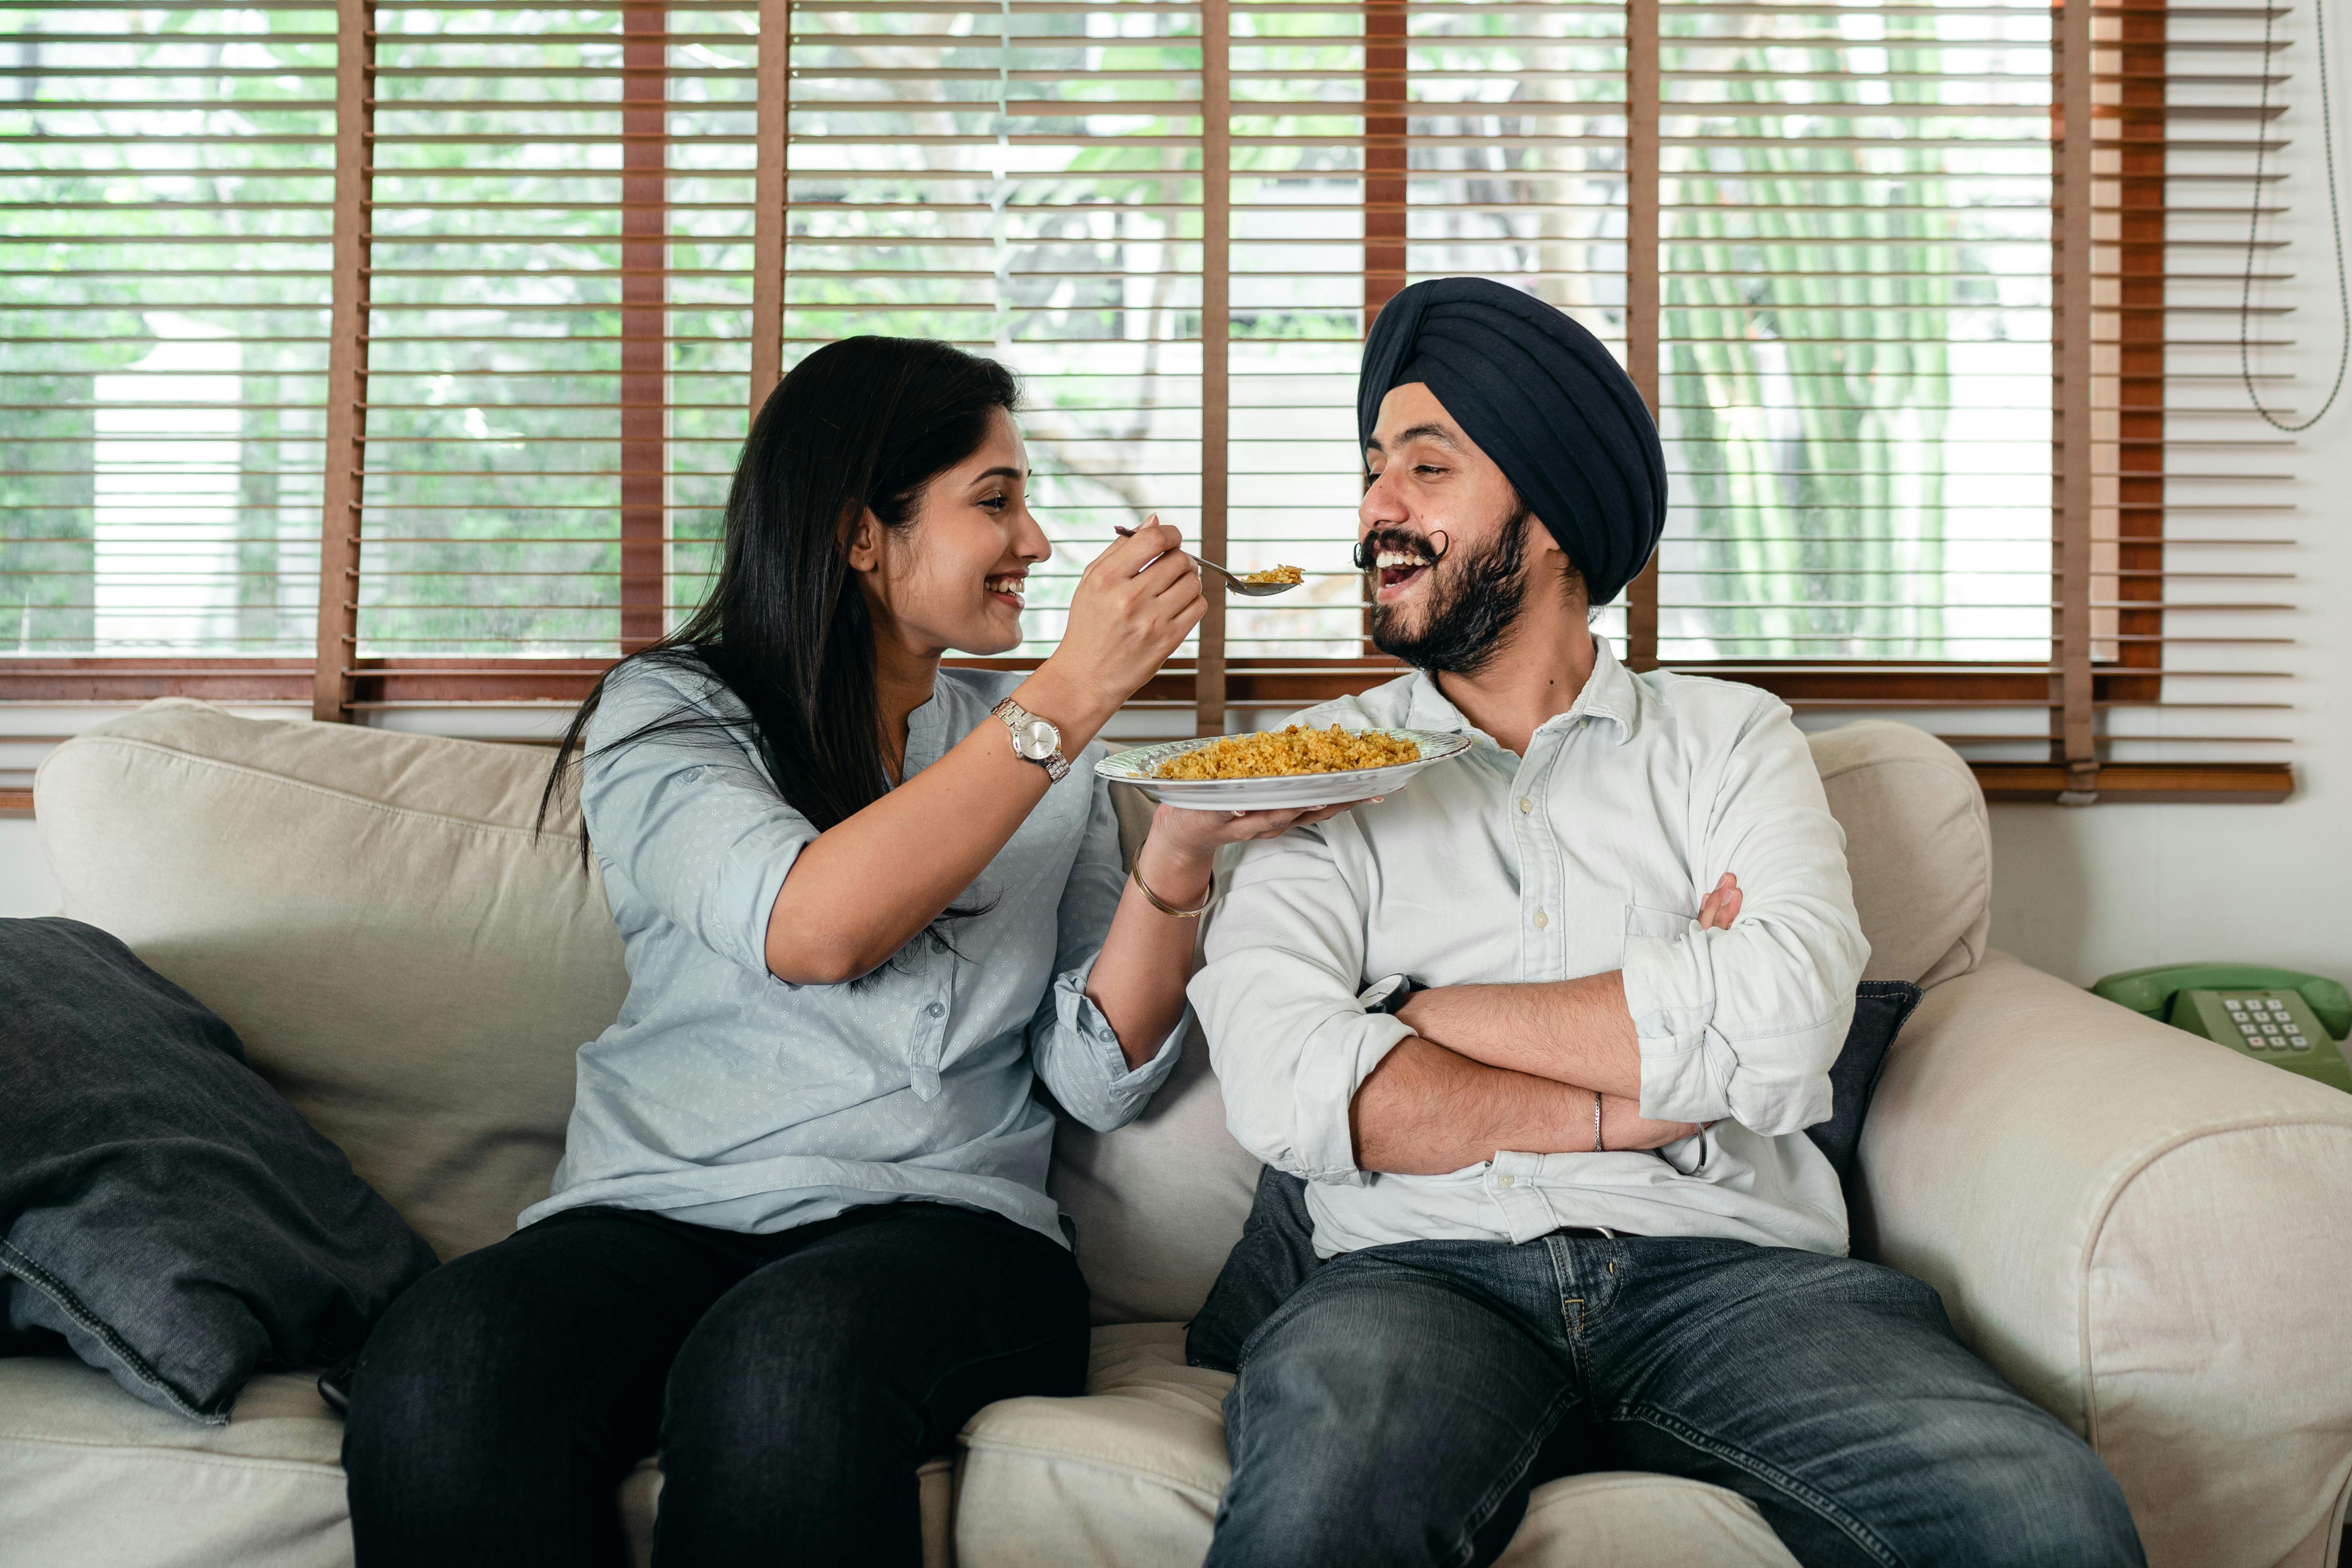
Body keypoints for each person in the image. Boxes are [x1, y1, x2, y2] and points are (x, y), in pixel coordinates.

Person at [339, 336, 1351, 1567]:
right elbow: (813, 928)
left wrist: (1180, 856)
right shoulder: (670, 718)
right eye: (996, 500)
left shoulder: (1047, 761)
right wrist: (1072, 693)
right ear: (860, 535)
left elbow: (1094, 1075)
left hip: (944, 1228)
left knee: (785, 1365)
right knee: (447, 1364)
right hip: (657, 1207)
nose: (1034, 544)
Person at [1186, 278, 2146, 1568]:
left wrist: (1414, 1015)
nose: (1376, 513)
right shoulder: (1317, 769)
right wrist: (1631, 1082)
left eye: (1426, 468)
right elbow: (1286, 1079)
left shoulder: (1729, 743)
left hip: (1734, 1277)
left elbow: (1789, 1014)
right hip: (1418, 1277)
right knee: (1319, 1519)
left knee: (2042, 1514)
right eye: (1374, 471)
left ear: (1557, 525)